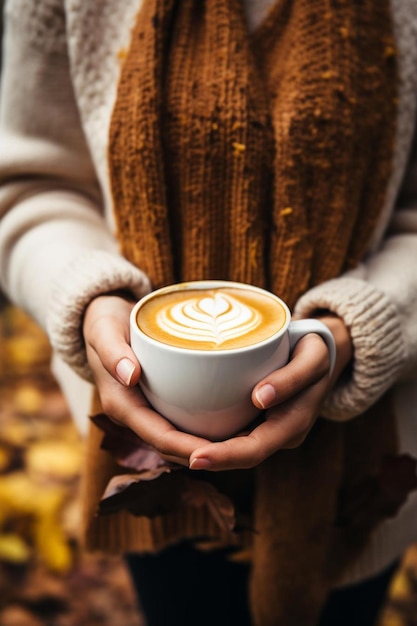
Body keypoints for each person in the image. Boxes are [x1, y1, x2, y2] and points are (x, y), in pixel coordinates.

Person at [1, 0, 417, 624]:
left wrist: (354, 333)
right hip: (143, 461)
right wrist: (86, 296)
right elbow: (30, 183)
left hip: (356, 467)